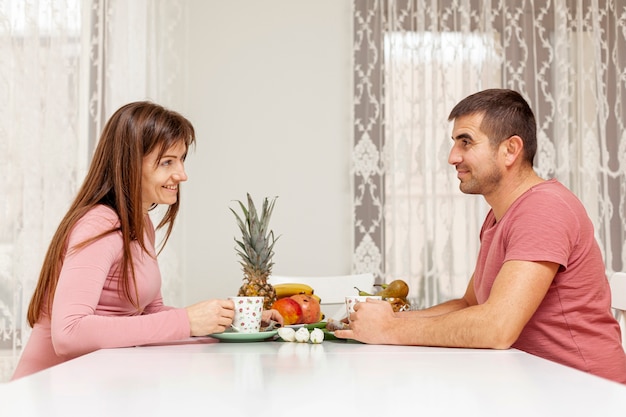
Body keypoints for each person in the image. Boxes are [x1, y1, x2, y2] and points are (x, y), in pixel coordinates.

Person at [335, 89, 626, 384]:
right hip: (532, 382)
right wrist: (388, 318)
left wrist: (389, 330)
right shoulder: (499, 215)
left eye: (466, 142)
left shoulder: (543, 208)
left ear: (511, 150)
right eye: (454, 143)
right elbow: (469, 304)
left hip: (585, 391)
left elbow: (496, 327)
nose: (452, 157)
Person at [11, 101, 282, 380]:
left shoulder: (140, 223)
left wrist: (230, 323)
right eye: (167, 162)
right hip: (44, 395)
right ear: (130, 163)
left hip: (90, 386)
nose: (182, 174)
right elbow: (68, 334)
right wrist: (187, 321)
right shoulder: (100, 223)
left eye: (181, 159)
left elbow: (150, 318)